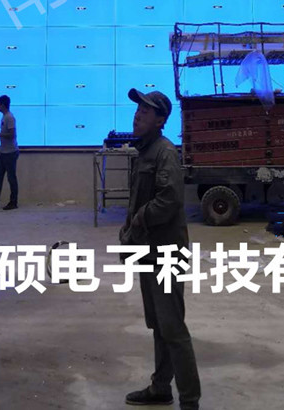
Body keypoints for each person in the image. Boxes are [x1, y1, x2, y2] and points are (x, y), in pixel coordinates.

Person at [120, 88, 200, 410]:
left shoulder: (164, 152)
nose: (138, 115)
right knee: (159, 325)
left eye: (146, 111)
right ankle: (160, 387)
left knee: (173, 328)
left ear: (160, 119)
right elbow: (139, 199)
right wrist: (129, 234)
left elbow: (168, 201)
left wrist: (139, 220)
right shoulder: (145, 151)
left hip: (166, 253)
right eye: (137, 109)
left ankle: (190, 401)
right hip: (148, 251)